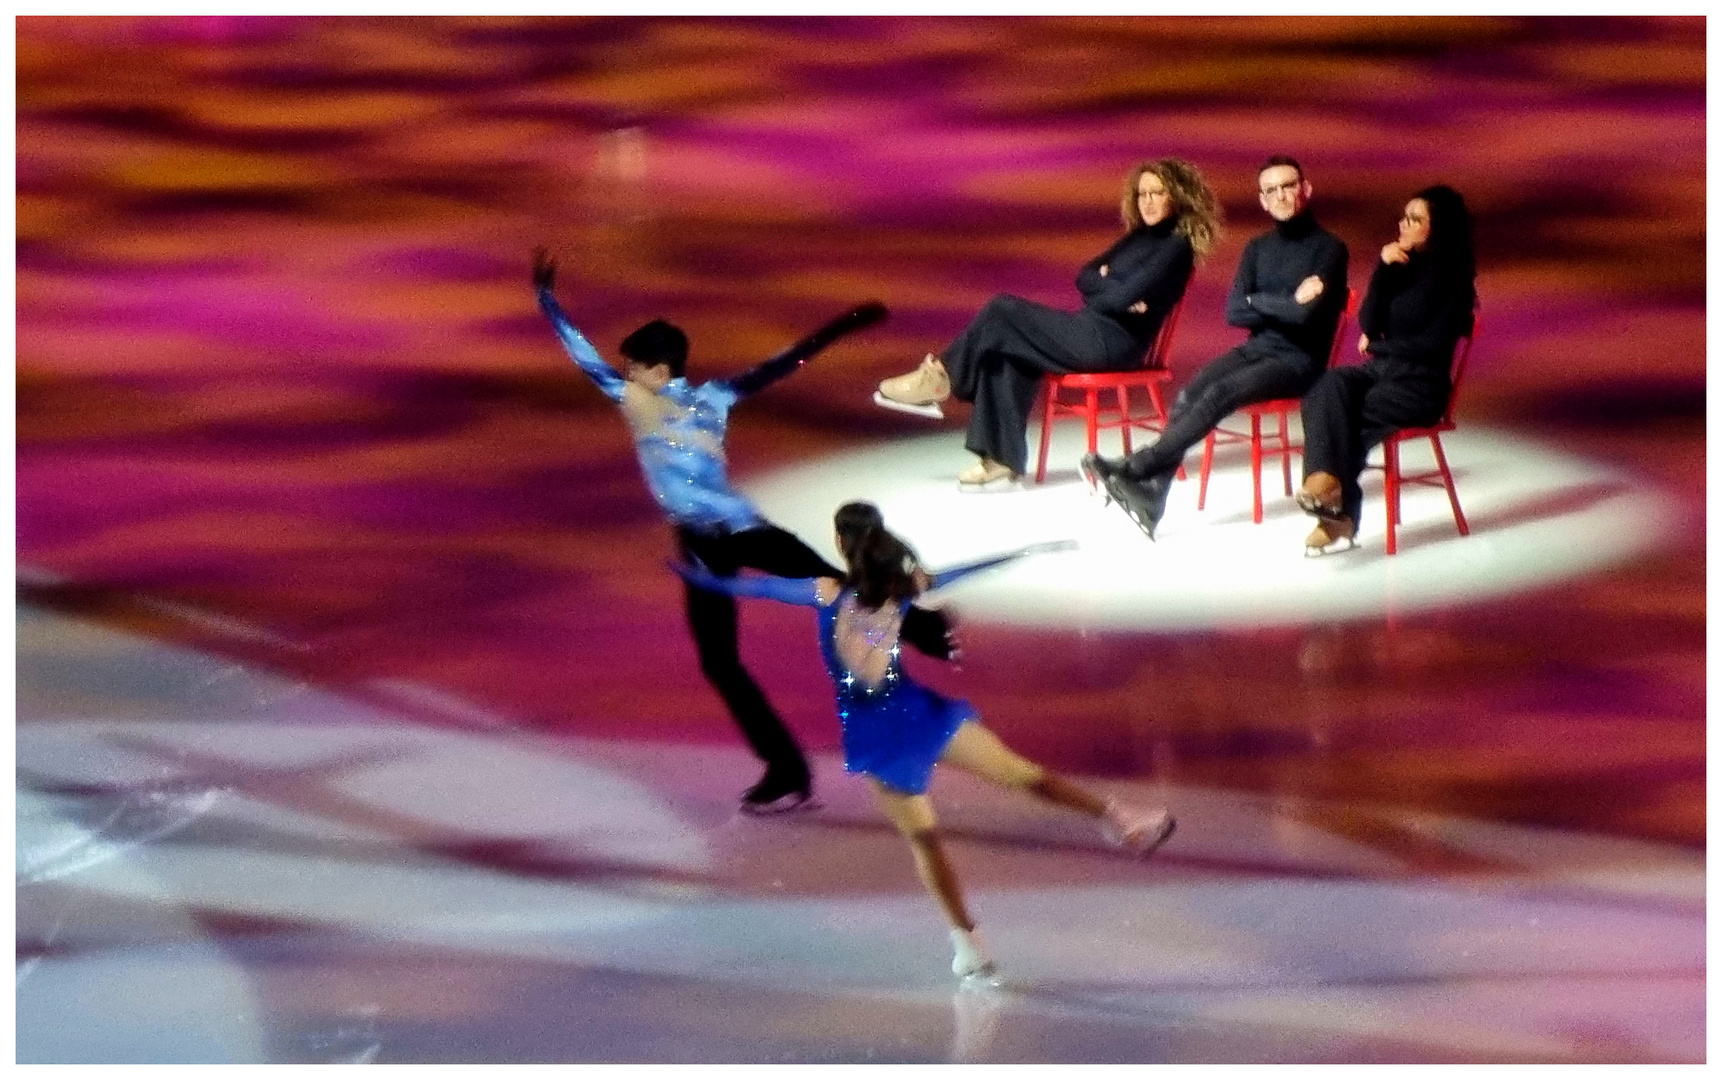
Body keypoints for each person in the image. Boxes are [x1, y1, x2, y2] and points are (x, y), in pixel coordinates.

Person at [675, 502, 1177, 982]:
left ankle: (969, 947)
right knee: (1027, 777)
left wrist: (695, 575)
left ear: (840, 543)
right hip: (920, 714)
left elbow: (756, 589)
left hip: (879, 736)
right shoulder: (902, 585)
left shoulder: (826, 590)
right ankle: (1119, 821)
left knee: (926, 840)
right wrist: (1026, 552)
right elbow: (963, 571)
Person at [532, 250, 958, 814]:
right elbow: (783, 363)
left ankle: (790, 762)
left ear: (659, 372)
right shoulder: (713, 397)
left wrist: (548, 302)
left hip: (717, 539)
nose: (628, 376)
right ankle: (800, 752)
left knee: (755, 637)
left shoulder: (640, 398)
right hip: (734, 531)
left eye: (635, 367)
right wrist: (844, 324)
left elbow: (592, 365)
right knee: (811, 595)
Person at [873, 158, 1221, 488]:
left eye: (1157, 193)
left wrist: (1111, 288)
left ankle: (940, 378)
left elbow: (1109, 297)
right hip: (1092, 329)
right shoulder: (1137, 237)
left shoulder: (1176, 247)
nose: (1147, 201)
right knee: (1006, 346)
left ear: (1176, 196)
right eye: (1142, 193)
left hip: (1113, 345)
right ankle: (1000, 458)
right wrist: (1119, 292)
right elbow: (1085, 278)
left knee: (1001, 309)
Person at [1082, 156, 1349, 539]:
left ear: (1305, 190)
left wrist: (1261, 301)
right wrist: (1284, 302)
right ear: (1262, 200)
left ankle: (1137, 467)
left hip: (1299, 362)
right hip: (1257, 351)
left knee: (1220, 392)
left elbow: (1305, 319)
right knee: (1191, 393)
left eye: (1288, 186)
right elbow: (1235, 311)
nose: (1281, 196)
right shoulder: (1257, 248)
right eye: (1271, 190)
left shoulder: (1330, 249)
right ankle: (1153, 494)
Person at [1296, 185, 1477, 554]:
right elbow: (1368, 320)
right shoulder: (1400, 266)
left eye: (1415, 219)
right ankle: (1324, 481)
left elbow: (1432, 347)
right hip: (1381, 371)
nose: (1403, 224)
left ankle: (1335, 512)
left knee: (1353, 414)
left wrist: (1377, 345)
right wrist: (1382, 268)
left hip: (1420, 384)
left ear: (1437, 227)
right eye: (1404, 217)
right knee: (1326, 387)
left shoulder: (1456, 282)